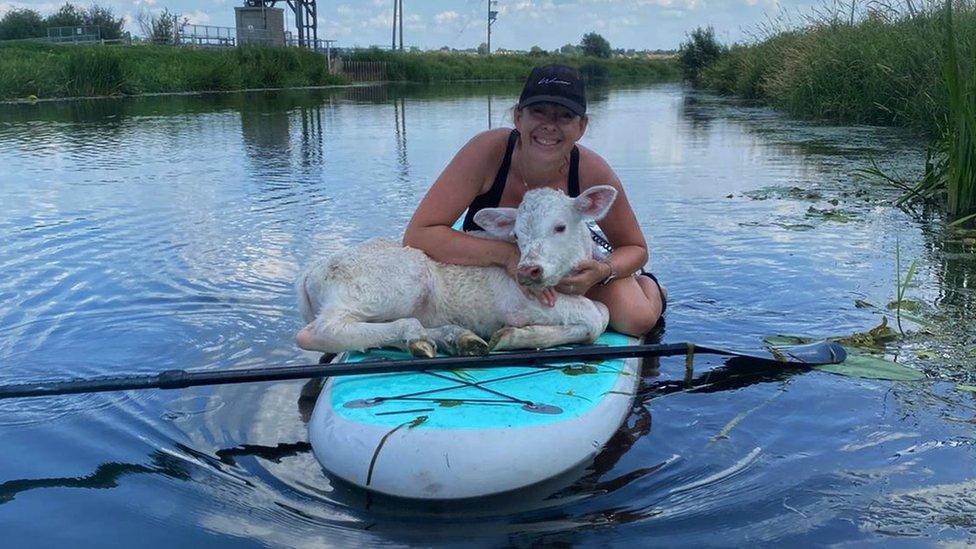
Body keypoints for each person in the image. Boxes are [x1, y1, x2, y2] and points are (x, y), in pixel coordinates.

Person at [403, 64, 665, 337]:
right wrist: (508, 256)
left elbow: (635, 247)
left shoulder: (591, 171)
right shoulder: (487, 153)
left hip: (566, 267)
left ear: (582, 126)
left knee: (638, 319)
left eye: (565, 116)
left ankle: (650, 286)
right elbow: (419, 233)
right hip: (490, 267)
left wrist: (602, 270)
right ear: (518, 117)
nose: (549, 126)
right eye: (538, 112)